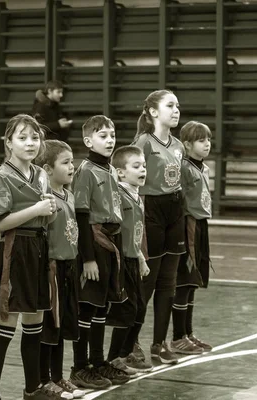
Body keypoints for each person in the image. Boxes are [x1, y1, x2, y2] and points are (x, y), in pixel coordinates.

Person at [0, 114, 58, 400]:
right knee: (7, 323)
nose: (30, 143)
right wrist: (38, 210)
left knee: (34, 322)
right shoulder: (2, 177)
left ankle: (32, 388)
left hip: (39, 248)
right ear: (9, 143)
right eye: (22, 137)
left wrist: (50, 211)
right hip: (16, 250)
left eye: (35, 137)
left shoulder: (40, 174)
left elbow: (44, 214)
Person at [69, 116, 130, 390]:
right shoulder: (86, 171)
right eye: (103, 136)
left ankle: (97, 360)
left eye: (112, 135)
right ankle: (80, 367)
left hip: (109, 241)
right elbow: (81, 216)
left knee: (101, 306)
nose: (110, 140)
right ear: (88, 141)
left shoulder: (109, 170)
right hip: (93, 242)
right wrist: (88, 258)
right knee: (87, 306)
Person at [131, 89, 185, 365]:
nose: (176, 110)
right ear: (153, 112)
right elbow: (128, 176)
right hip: (150, 209)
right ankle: (132, 343)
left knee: (168, 282)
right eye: (170, 105)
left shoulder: (178, 145)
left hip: (175, 210)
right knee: (147, 282)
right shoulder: (144, 142)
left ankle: (159, 344)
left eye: (177, 106)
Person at [34, 140, 85, 399]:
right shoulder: (45, 199)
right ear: (47, 168)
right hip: (52, 268)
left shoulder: (70, 195)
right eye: (65, 162)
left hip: (69, 266)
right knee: (49, 328)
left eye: (72, 161)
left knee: (63, 324)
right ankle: (44, 379)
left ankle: (58, 376)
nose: (71, 167)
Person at [105, 145, 153, 374]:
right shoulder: (118, 196)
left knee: (140, 309)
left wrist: (141, 257)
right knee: (127, 311)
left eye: (144, 165)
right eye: (136, 166)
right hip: (121, 262)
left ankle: (123, 355)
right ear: (121, 172)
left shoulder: (137, 196)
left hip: (134, 260)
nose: (143, 169)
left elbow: (135, 233)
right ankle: (114, 358)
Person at [170, 121, 213, 355]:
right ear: (187, 144)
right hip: (188, 226)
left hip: (200, 226)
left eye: (208, 139)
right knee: (184, 281)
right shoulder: (184, 168)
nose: (207, 143)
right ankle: (178, 337)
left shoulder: (203, 167)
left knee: (194, 281)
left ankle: (187, 332)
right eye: (201, 140)